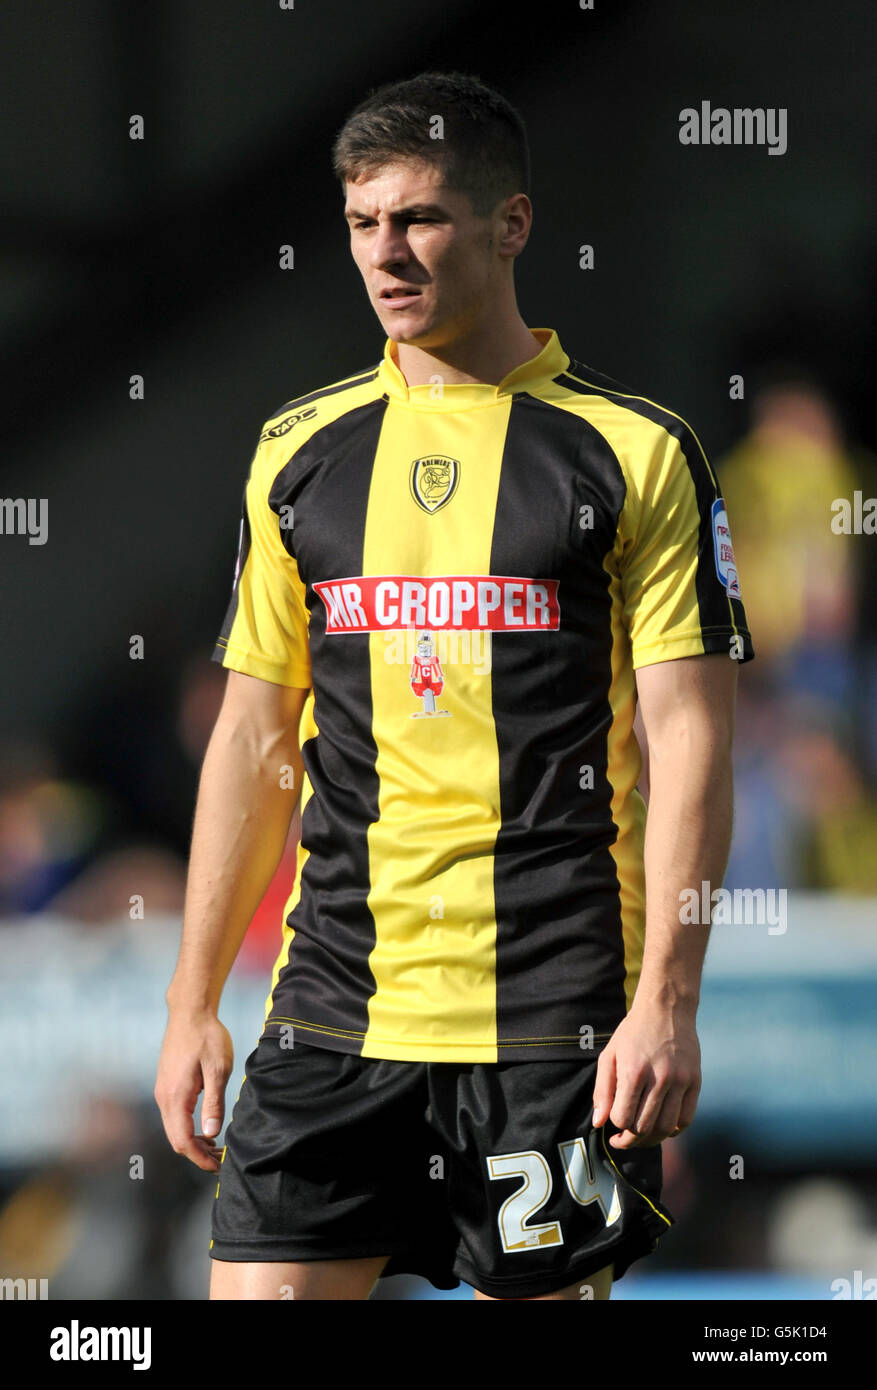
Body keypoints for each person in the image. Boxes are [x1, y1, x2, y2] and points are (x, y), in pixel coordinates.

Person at [154, 70, 754, 1302]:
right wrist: (191, 1002)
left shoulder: (635, 452)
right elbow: (252, 736)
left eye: (420, 217)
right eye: (364, 224)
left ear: (511, 223)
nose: (388, 253)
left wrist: (667, 1006)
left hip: (550, 1022)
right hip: (331, 1009)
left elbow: (691, 740)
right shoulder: (297, 452)